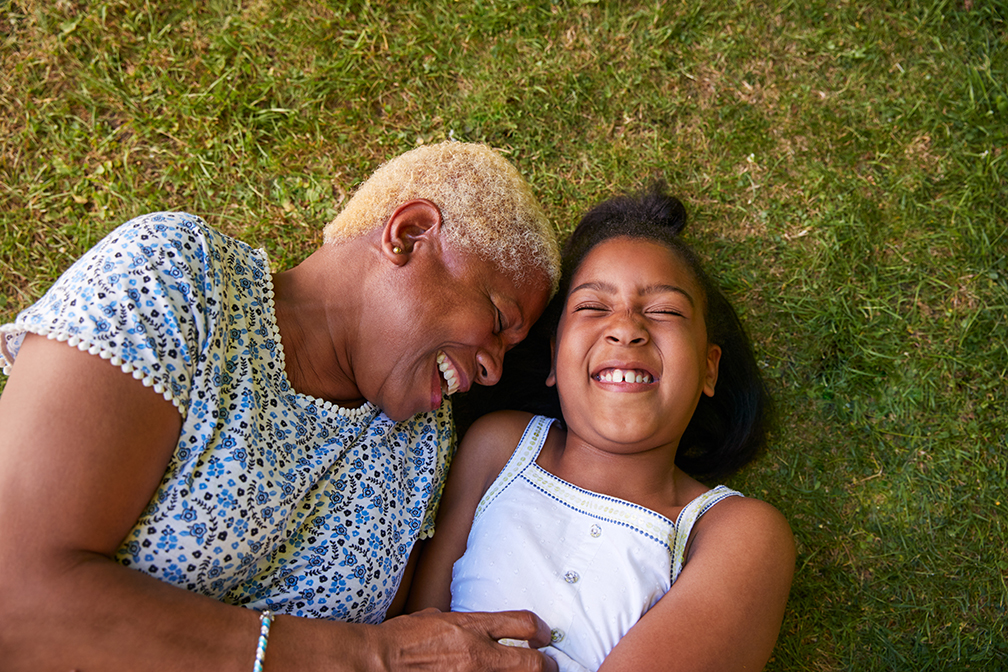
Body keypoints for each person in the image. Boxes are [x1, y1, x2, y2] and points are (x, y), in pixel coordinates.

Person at [0, 141, 566, 671]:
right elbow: (16, 596)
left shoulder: (422, 448)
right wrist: (371, 657)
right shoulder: (176, 279)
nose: (492, 368)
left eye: (508, 352)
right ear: (409, 234)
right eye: (496, 321)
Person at [407, 182, 796, 671]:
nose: (627, 327)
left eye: (664, 311)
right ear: (553, 358)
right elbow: (416, 636)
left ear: (709, 369)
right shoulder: (500, 447)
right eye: (593, 307)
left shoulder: (734, 532)